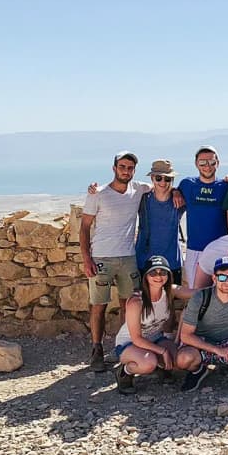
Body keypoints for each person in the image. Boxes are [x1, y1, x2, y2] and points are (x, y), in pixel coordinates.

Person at [81, 151, 153, 372]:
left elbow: (162, 185)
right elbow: (84, 227)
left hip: (128, 257)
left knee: (129, 305)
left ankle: (125, 347)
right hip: (101, 257)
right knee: (98, 306)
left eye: (130, 168)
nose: (126, 171)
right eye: (122, 167)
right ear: (114, 168)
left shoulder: (139, 189)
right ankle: (97, 350)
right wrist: (87, 259)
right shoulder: (98, 193)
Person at [113, 256, 196, 394]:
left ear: (168, 275)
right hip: (129, 344)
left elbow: (196, 293)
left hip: (155, 338)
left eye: (163, 272)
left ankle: (161, 365)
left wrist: (223, 285)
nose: (158, 276)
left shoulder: (169, 291)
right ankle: (125, 372)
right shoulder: (136, 301)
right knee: (148, 363)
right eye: (153, 273)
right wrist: (161, 351)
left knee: (179, 361)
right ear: (146, 276)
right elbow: (137, 339)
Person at [176, 256, 228, 391]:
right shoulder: (201, 298)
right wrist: (217, 350)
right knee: (183, 359)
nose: (227, 282)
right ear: (214, 278)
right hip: (203, 342)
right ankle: (198, 370)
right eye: (222, 277)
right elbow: (186, 335)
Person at [177, 145, 228, 287]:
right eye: (202, 162)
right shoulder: (187, 184)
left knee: (220, 291)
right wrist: (175, 192)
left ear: (218, 163)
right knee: (195, 292)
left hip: (219, 248)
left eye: (211, 162)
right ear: (196, 163)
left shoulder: (226, 186)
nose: (207, 166)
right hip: (194, 249)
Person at [135, 159, 185, 285]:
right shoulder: (142, 199)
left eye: (167, 179)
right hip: (145, 261)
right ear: (152, 178)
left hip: (172, 263)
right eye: (159, 178)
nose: (163, 182)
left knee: (170, 303)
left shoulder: (179, 201)